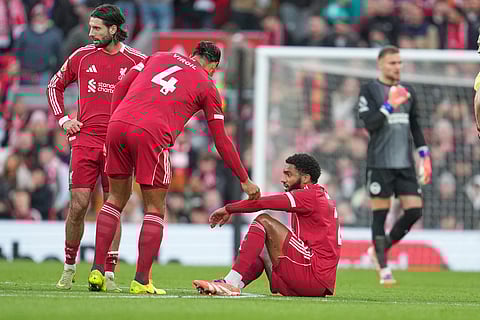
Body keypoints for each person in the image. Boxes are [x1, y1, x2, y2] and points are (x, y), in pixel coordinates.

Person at [87, 41, 261, 294]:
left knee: (114, 199)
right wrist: (244, 179)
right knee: (155, 208)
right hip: (151, 135)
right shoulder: (207, 85)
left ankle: (97, 270)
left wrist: (116, 119)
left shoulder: (157, 56)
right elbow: (221, 139)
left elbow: (120, 87)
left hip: (117, 125)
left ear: (193, 54)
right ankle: (141, 281)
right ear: (213, 66)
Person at [46, 4, 146, 292]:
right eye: (90, 27)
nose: (90, 33)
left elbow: (152, 97)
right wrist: (64, 120)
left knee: (112, 207)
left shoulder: (138, 61)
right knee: (78, 206)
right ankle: (68, 267)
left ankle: (109, 273)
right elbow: (54, 85)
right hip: (85, 141)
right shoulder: (81, 56)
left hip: (118, 144)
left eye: (96, 28)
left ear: (114, 30)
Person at [193, 153, 341, 297]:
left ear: (306, 178)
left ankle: (230, 282)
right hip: (315, 279)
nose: (283, 179)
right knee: (259, 247)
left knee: (263, 220)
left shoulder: (309, 195)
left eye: (289, 174)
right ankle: (233, 285)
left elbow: (262, 203)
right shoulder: (318, 195)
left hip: (312, 275)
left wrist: (228, 208)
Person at [357, 45, 431, 285]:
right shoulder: (369, 90)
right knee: (380, 214)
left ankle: (380, 249)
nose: (397, 67)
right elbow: (370, 124)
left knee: (415, 211)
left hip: (404, 164)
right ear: (380, 64)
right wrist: (389, 105)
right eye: (392, 63)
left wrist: (425, 155)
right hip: (379, 163)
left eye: (400, 62)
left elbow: (416, 126)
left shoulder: (408, 91)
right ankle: (383, 266)